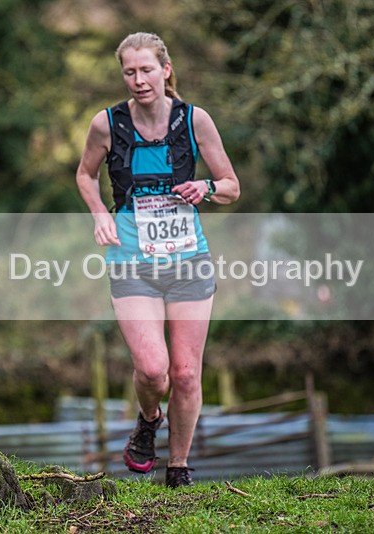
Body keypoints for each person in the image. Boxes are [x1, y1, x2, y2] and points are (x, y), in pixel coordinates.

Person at [75, 32, 240, 488]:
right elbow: (85, 175)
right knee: (152, 369)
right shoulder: (107, 124)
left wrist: (206, 187)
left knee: (185, 373)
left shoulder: (194, 120)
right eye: (129, 72)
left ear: (165, 70)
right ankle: (149, 421)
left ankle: (178, 468)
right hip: (132, 261)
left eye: (146, 69)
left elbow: (231, 185)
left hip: (189, 261)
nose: (139, 80)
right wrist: (99, 213)